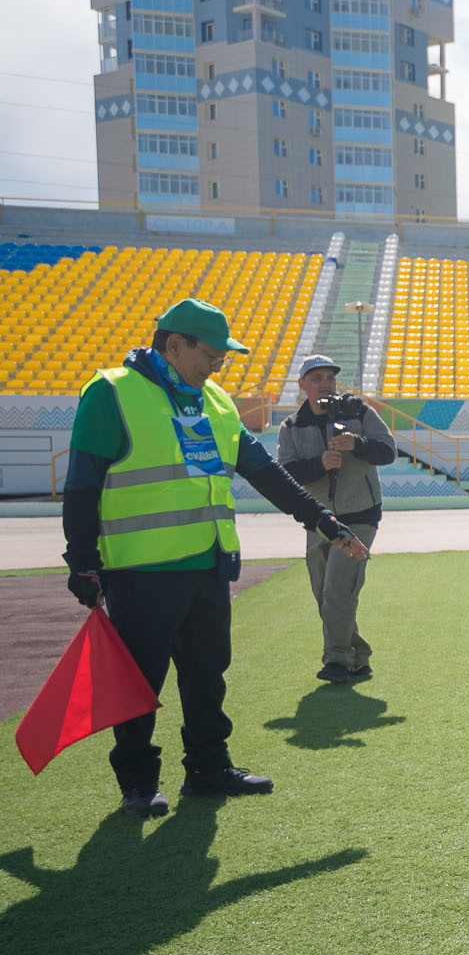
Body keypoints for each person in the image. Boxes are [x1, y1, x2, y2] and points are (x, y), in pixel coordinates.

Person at [60, 298, 370, 818]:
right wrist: (83, 561)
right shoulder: (110, 394)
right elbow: (81, 487)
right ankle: (137, 782)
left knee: (208, 674)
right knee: (141, 683)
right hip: (141, 574)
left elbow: (268, 475)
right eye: (211, 352)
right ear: (174, 344)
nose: (219, 363)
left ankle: (208, 768)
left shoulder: (218, 403)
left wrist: (325, 521)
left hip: (209, 567)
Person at [274, 354, 396, 682]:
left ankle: (337, 661)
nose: (325, 384)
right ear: (302, 385)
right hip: (318, 519)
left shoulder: (358, 411)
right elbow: (285, 471)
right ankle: (358, 654)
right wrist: (320, 465)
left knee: (338, 589)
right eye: (317, 378)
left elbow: (388, 451)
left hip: (360, 515)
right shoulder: (291, 426)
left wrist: (358, 443)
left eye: (330, 377)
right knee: (324, 594)